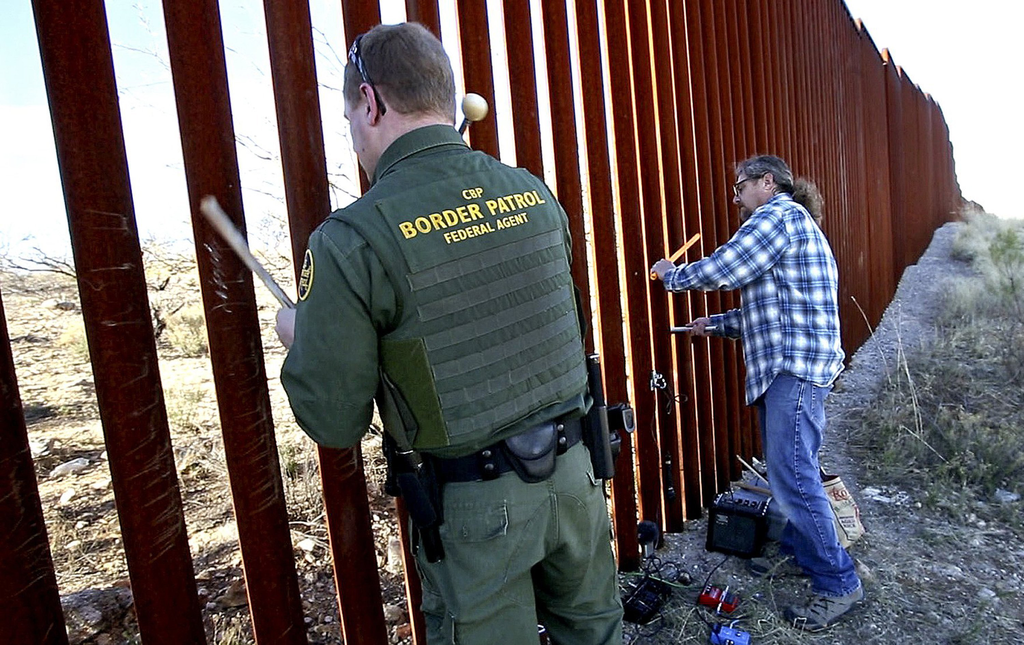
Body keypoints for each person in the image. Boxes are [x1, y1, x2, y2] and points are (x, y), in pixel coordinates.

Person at [275, 22, 622, 645]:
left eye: (351, 114)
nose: (353, 135)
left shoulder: (352, 237)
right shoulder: (532, 193)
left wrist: (303, 339)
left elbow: (334, 419)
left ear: (372, 102)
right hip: (578, 478)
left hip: (476, 509)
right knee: (594, 631)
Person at [650, 155, 864, 631]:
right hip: (793, 365)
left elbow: (729, 266)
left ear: (767, 183)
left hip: (794, 369)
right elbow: (777, 307)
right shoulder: (793, 223)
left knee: (793, 476)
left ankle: (838, 583)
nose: (736, 196)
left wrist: (673, 275)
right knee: (789, 471)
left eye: (740, 185)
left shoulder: (777, 215)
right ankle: (800, 553)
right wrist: (718, 325)